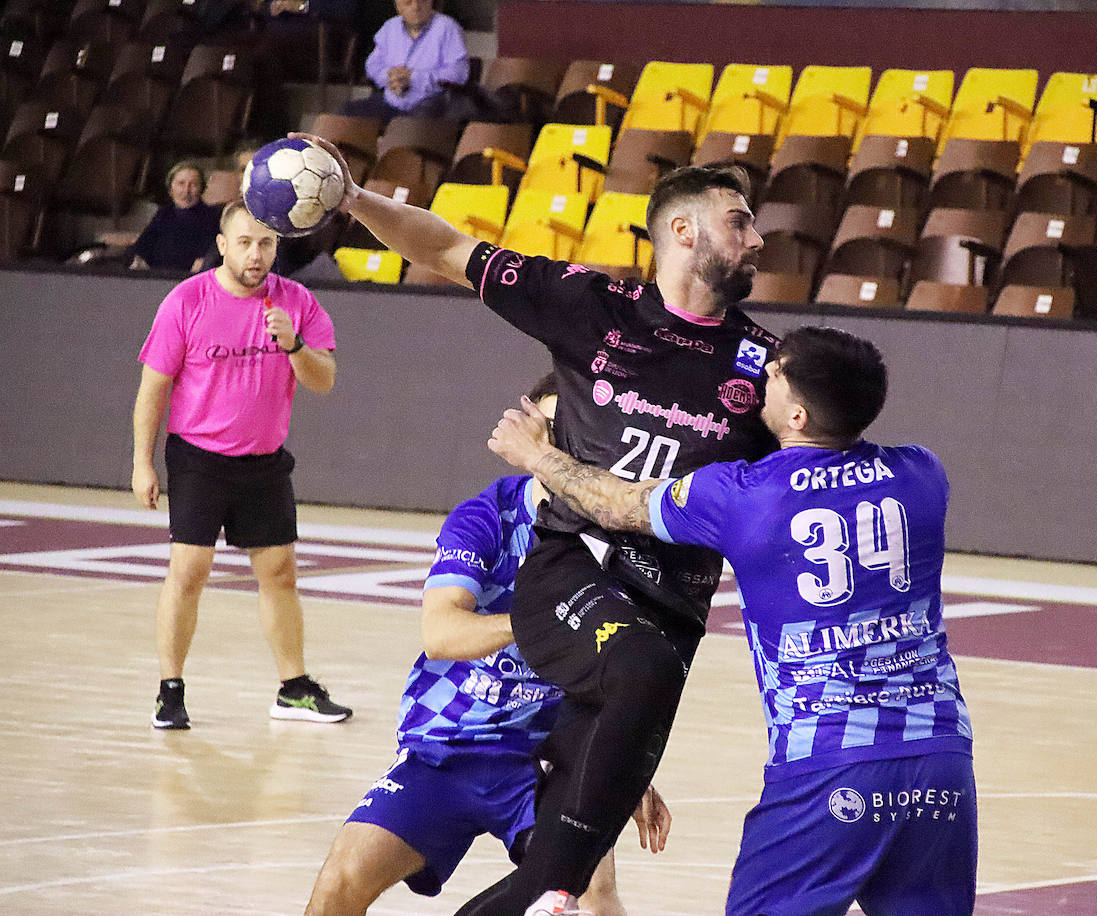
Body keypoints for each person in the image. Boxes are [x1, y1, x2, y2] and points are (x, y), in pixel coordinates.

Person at [297, 130, 777, 916]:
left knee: (565, 883)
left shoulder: (766, 367)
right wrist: (352, 199)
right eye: (740, 220)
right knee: (354, 880)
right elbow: (450, 248)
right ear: (683, 231)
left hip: (658, 624)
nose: (756, 238)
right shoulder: (592, 307)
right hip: (571, 594)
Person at [488, 326, 977, 916]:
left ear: (796, 414)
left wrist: (537, 455)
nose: (758, 378)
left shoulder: (744, 494)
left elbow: (614, 503)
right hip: (942, 758)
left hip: (826, 763)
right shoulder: (924, 474)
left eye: (774, 373)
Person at [304, 375, 670, 916]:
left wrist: (625, 764)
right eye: (548, 431)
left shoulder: (621, 540)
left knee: (592, 892)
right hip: (450, 746)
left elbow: (624, 668)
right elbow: (442, 634)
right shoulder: (487, 516)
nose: (556, 447)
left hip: (551, 754)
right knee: (341, 880)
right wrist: (533, 623)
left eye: (572, 436)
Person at [132, 199, 352, 730]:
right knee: (189, 571)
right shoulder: (187, 301)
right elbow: (153, 391)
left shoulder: (295, 302)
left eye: (267, 244)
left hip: (264, 462)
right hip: (198, 457)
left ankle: (294, 688)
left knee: (279, 573)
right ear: (224, 245)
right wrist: (142, 462)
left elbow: (323, 380)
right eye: (246, 243)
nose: (257, 254)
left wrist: (293, 344)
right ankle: (170, 690)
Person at [344, 0, 470, 122]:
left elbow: (459, 73)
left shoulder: (447, 27)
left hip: (431, 105)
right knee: (347, 113)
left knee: (409, 128)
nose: (416, 7)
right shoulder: (390, 27)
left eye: (423, 1)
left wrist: (414, 78)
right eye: (408, 2)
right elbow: (372, 65)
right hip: (391, 103)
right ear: (398, 5)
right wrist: (391, 76)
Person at [128, 162, 222, 274]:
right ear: (171, 189)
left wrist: (206, 262)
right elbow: (141, 247)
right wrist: (138, 259)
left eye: (193, 185)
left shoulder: (212, 217)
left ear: (201, 189)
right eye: (181, 184)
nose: (186, 191)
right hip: (156, 280)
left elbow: (215, 254)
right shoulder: (163, 215)